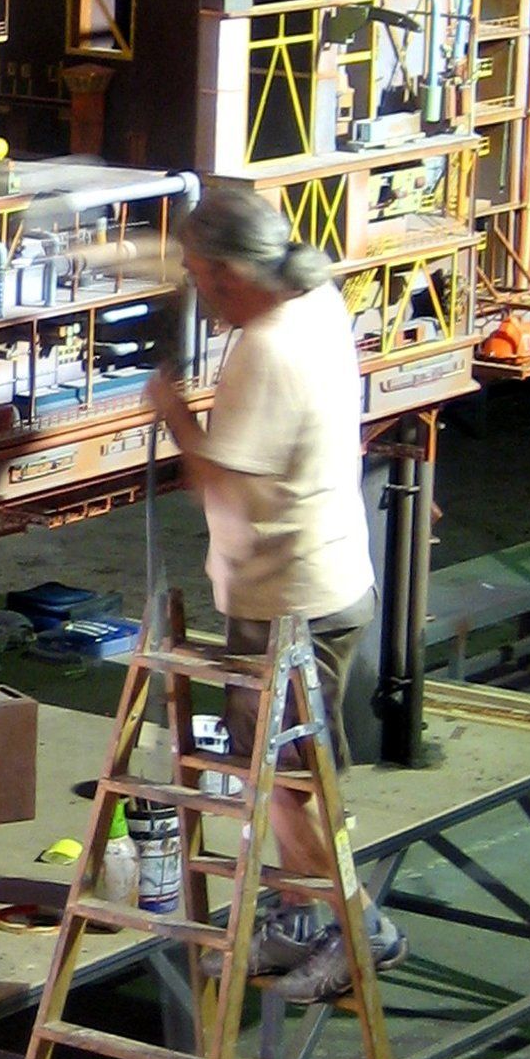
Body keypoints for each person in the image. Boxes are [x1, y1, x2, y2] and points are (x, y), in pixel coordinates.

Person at [144, 181, 405, 1005]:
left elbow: (224, 488)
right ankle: (300, 911)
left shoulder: (266, 348)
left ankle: (358, 926)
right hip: (315, 580)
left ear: (228, 274)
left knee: (289, 783)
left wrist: (171, 413)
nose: (193, 288)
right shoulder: (313, 297)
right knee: (282, 774)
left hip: (291, 600)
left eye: (196, 272)